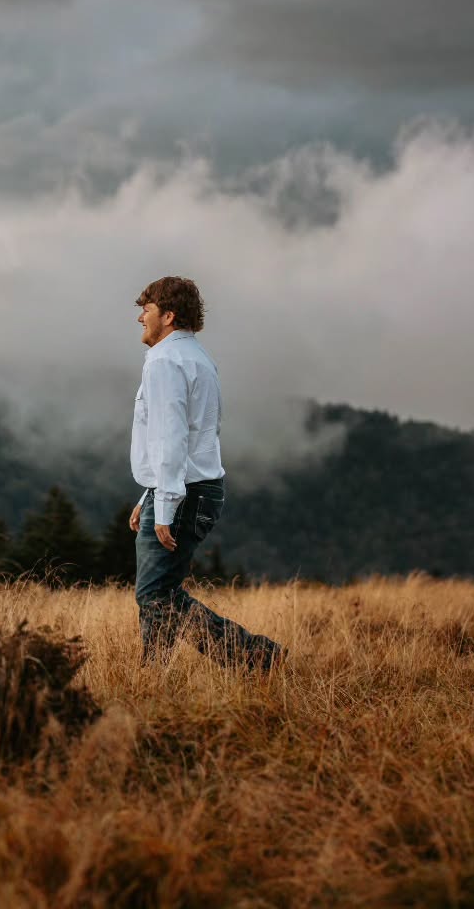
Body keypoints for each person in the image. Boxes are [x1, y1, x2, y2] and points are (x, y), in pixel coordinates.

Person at [129, 277, 283, 670]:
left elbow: (172, 436)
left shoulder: (165, 361)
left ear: (168, 315)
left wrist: (162, 504)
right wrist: (150, 495)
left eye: (145, 310)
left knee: (155, 594)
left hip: (184, 492)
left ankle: (256, 656)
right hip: (193, 488)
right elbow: (197, 434)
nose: (139, 319)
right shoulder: (198, 357)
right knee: (160, 593)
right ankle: (153, 677)